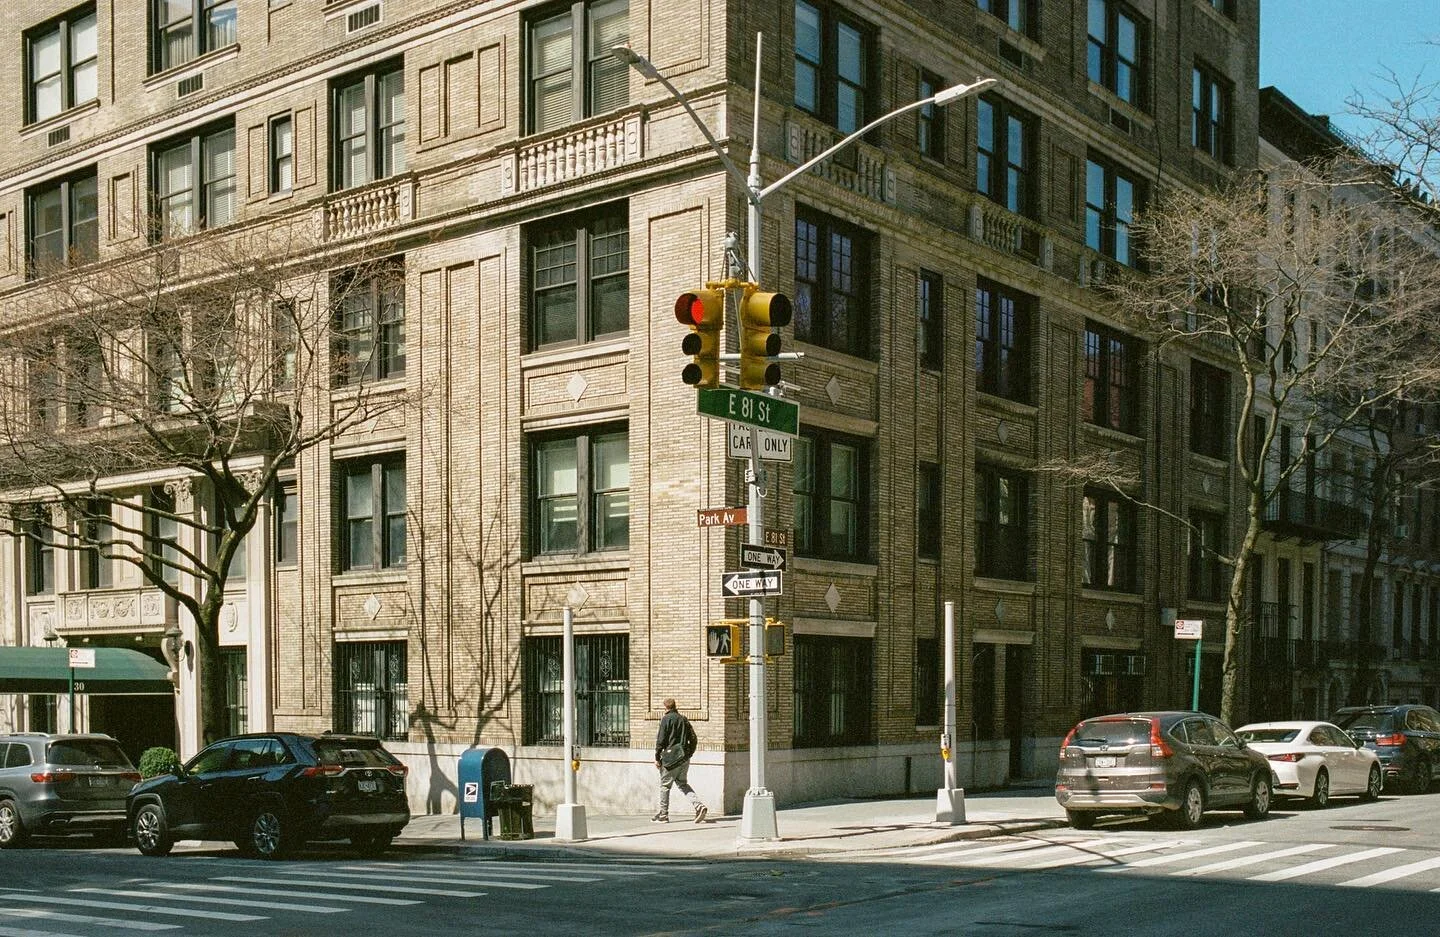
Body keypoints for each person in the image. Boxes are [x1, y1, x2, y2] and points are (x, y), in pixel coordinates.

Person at [653, 698, 708, 823]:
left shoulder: (666, 719)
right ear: (675, 706)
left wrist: (657, 758)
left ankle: (663, 815)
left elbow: (660, 741)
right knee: (682, 783)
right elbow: (693, 738)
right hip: (683, 758)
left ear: (665, 708)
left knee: (665, 786)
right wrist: (689, 753)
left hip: (670, 760)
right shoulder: (683, 719)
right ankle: (699, 806)